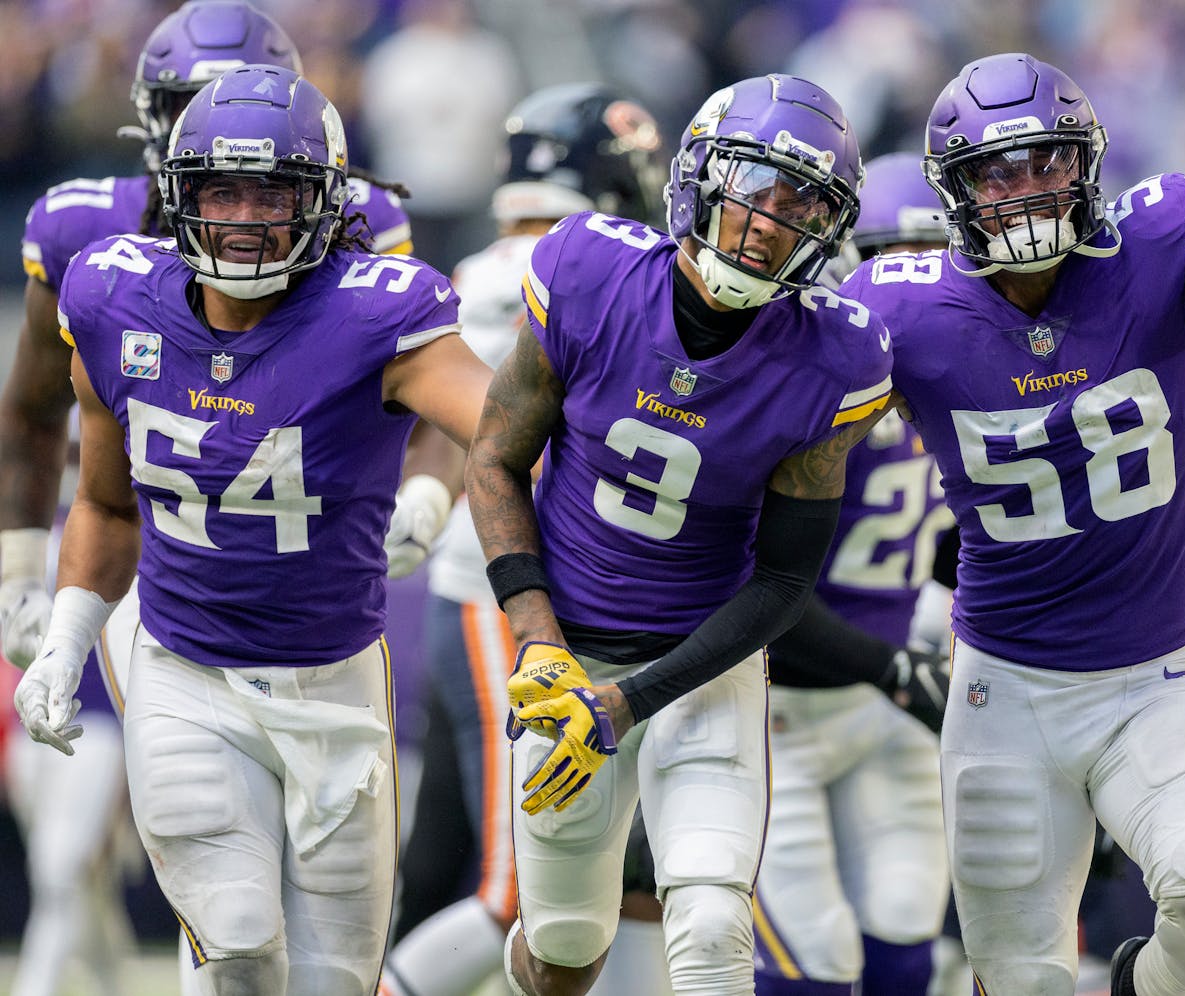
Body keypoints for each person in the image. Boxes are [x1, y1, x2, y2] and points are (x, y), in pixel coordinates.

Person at [837, 33, 1185, 996]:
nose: (1022, 193)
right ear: (953, 192)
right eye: (995, 173)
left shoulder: (1155, 251)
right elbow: (784, 442)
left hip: (1157, 672)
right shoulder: (904, 310)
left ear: (1089, 164)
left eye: (1045, 163)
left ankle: (1144, 986)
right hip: (1004, 687)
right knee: (1021, 976)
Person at [11, 63, 491, 996]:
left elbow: (505, 436)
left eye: (271, 190)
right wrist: (67, 640)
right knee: (235, 946)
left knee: (331, 983)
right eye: (218, 190)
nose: (240, 216)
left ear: (323, 199)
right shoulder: (114, 299)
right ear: (176, 195)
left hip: (338, 681)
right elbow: (108, 504)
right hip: (189, 671)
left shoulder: (376, 309)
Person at [465, 73, 894, 996]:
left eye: (805, 205)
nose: (773, 221)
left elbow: (782, 585)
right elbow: (495, 460)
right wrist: (541, 647)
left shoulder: (838, 357)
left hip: (704, 670)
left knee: (707, 924)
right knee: (566, 952)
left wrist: (630, 704)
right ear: (699, 176)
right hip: (569, 655)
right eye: (758, 187)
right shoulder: (585, 270)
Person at [381, 81, 671, 996]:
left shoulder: (485, 267)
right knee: (522, 893)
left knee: (622, 883)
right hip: (508, 596)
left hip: (573, 601)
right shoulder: (555, 275)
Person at [750, 149, 955, 996]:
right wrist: (896, 669)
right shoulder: (803, 389)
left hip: (891, 705)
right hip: (776, 709)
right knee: (815, 964)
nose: (909, 296)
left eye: (932, 267)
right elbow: (755, 586)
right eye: (885, 266)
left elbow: (949, 544)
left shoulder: (973, 385)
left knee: (907, 940)